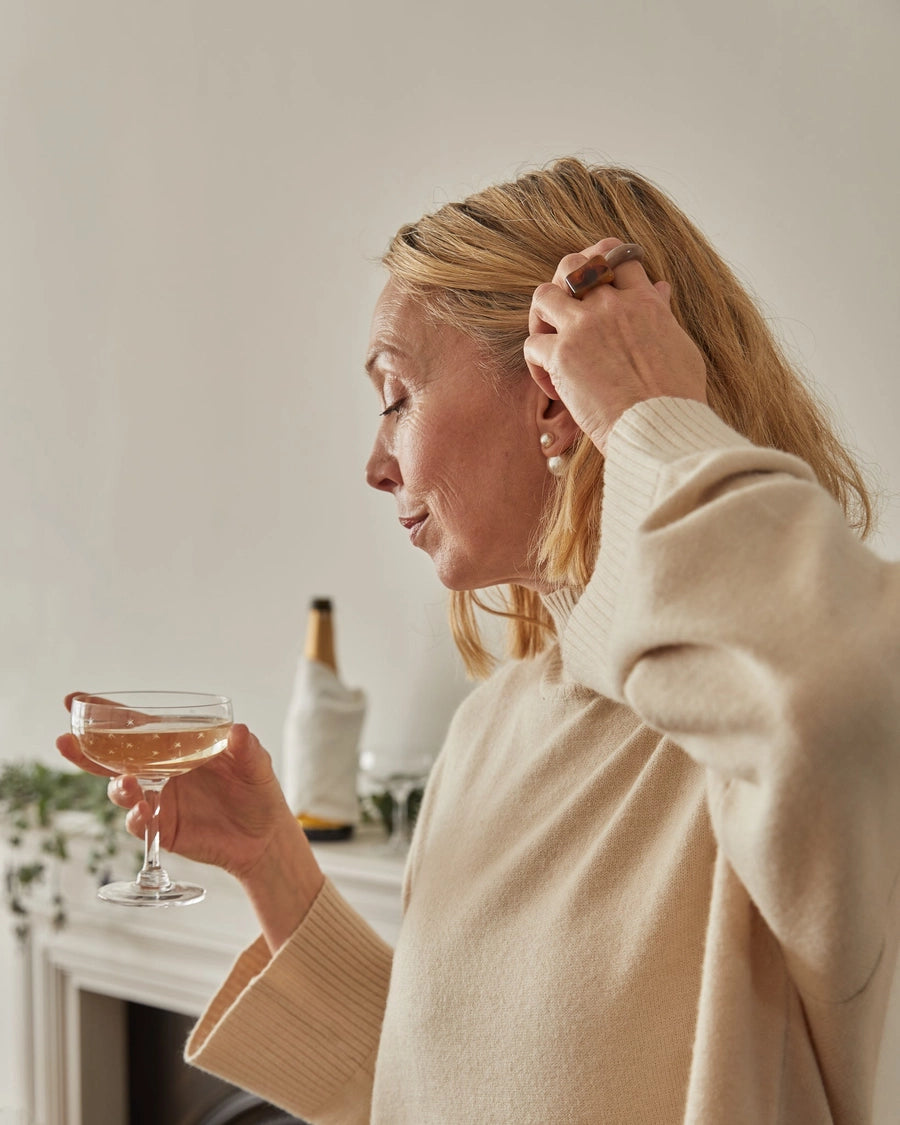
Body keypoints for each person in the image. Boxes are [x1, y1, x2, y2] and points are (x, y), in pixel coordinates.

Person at [58, 158, 900, 1124]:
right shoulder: (490, 730)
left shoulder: (755, 707)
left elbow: (841, 692)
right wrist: (273, 864)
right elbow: (450, 1090)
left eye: (395, 393)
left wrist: (644, 416)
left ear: (550, 393)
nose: (375, 465)